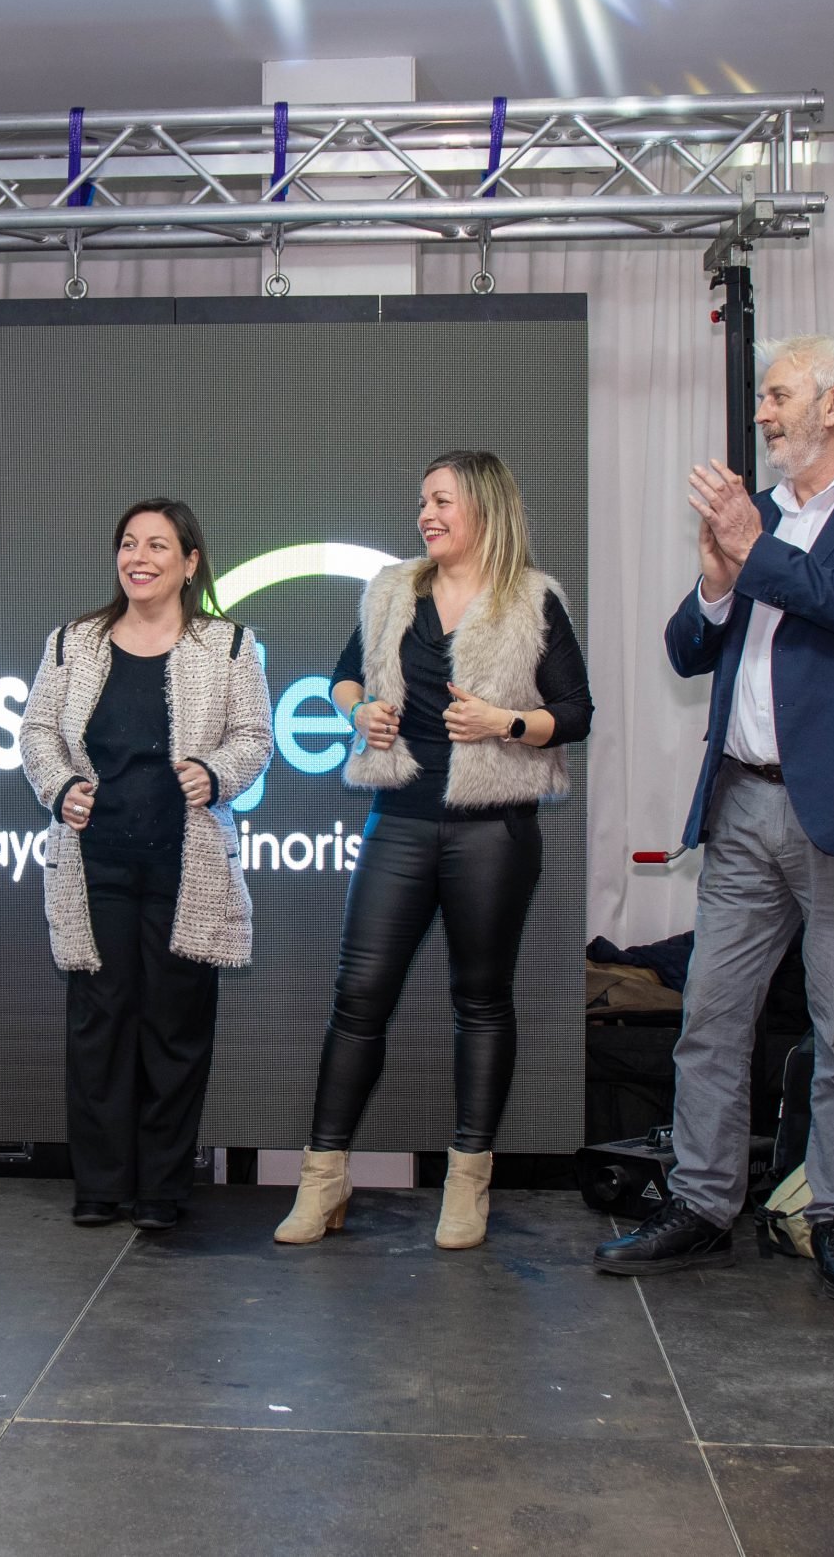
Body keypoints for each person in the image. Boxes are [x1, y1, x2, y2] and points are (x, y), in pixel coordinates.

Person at [592, 335, 834, 1302]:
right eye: (763, 396)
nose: (762, 413)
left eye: (778, 394)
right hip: (745, 799)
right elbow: (687, 648)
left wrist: (758, 552)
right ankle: (701, 1204)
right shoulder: (764, 514)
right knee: (710, 1015)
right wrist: (718, 582)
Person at [273, 450, 592, 1252]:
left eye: (443, 500)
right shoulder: (393, 591)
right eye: (423, 501)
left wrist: (503, 723)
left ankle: (466, 1183)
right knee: (358, 997)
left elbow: (575, 711)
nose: (427, 514)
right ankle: (322, 1180)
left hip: (494, 829)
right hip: (401, 818)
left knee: (481, 1001)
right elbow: (345, 677)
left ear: (484, 506)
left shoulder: (532, 599)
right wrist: (360, 712)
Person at [21, 500, 274, 1230]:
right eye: (129, 543)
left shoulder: (229, 646)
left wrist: (217, 773)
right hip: (94, 864)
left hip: (186, 866)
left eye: (158, 546)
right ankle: (100, 1186)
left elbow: (255, 737)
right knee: (98, 1024)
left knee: (176, 1025)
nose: (139, 557)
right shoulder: (73, 643)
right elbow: (37, 731)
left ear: (190, 563)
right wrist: (59, 786)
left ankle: (162, 1189)